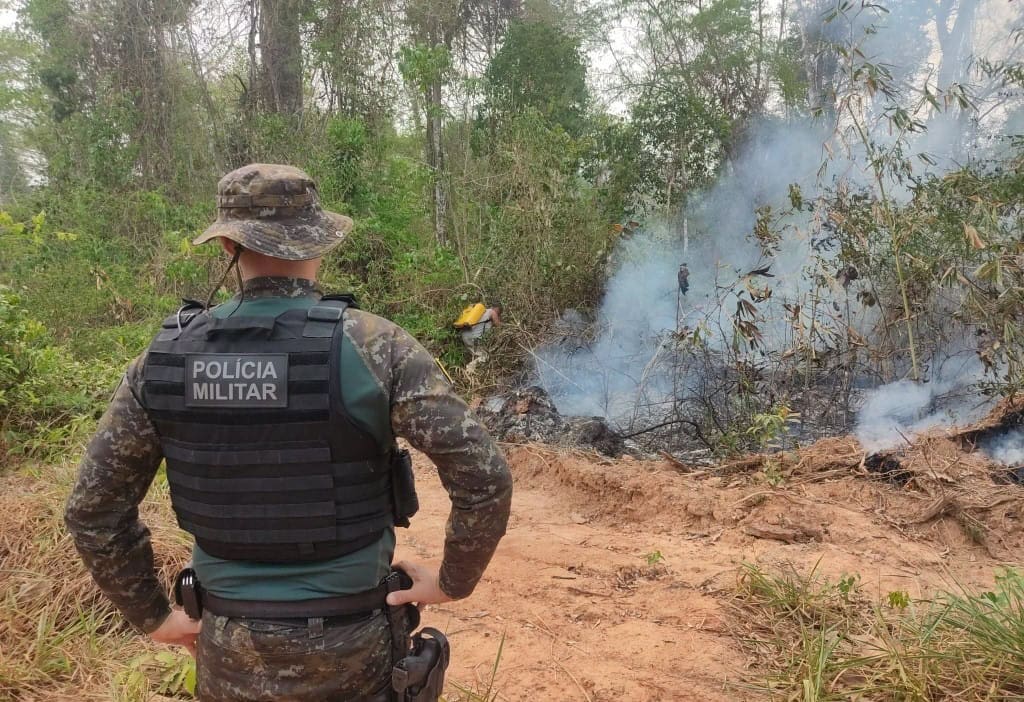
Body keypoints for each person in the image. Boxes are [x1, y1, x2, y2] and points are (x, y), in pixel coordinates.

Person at [65, 164, 513, 701]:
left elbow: (93, 509)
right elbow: (484, 476)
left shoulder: (162, 360)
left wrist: (154, 616)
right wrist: (451, 581)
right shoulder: (376, 345)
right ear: (318, 240)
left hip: (227, 643)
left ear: (227, 245)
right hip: (355, 643)